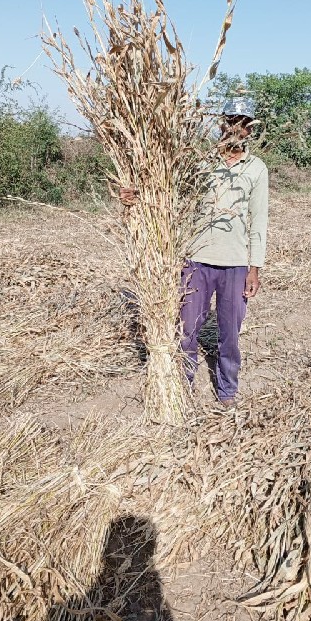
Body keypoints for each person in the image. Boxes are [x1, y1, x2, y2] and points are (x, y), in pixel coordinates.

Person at [120, 93, 269, 408]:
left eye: (243, 124)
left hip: (236, 264)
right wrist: (136, 195)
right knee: (187, 330)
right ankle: (181, 386)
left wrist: (254, 268)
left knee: (229, 334)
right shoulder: (202, 163)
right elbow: (169, 194)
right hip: (197, 259)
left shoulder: (256, 168)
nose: (236, 129)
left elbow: (259, 221)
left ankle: (227, 390)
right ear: (222, 124)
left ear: (250, 130)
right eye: (231, 122)